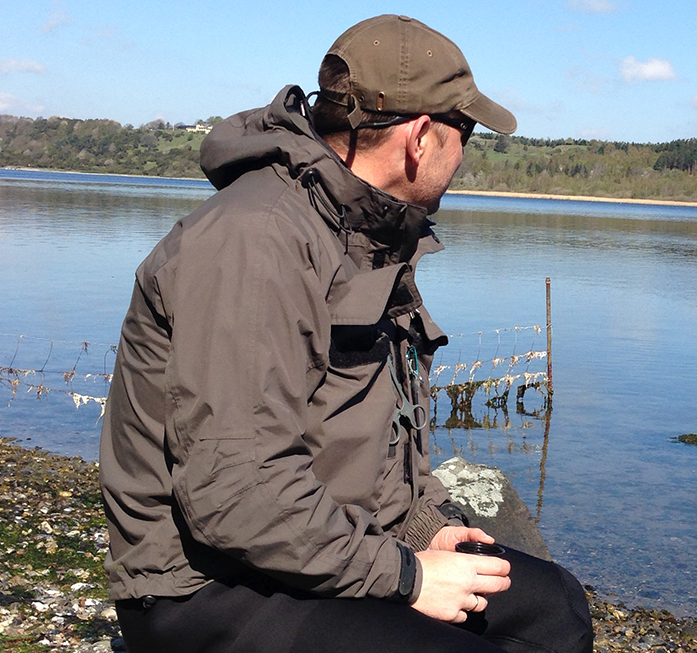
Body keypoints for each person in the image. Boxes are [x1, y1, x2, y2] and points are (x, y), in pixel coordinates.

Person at [99, 14, 593, 653]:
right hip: (207, 587)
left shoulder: (362, 234)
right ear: (420, 137)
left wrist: (422, 529)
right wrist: (409, 577)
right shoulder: (255, 242)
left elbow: (355, 435)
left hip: (315, 549)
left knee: (558, 608)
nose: (466, 152)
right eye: (464, 130)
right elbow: (235, 493)